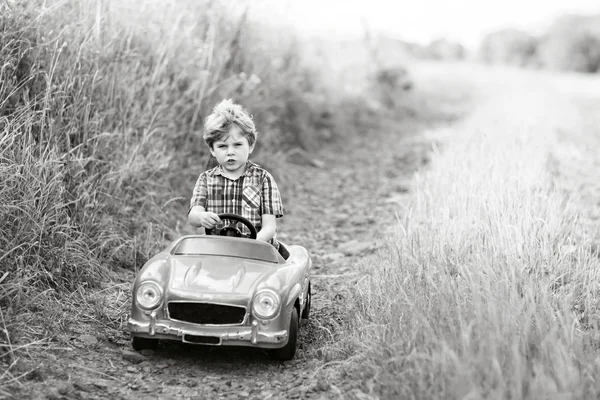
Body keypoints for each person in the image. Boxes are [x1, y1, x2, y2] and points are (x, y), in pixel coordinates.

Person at [188, 99, 288, 257]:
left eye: (237, 145)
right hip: (217, 251)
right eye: (222, 146)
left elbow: (269, 228)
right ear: (213, 150)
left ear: (251, 146)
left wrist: (250, 246)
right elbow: (193, 217)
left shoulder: (263, 179)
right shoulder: (206, 179)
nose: (230, 152)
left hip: (257, 251)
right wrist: (201, 216)